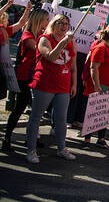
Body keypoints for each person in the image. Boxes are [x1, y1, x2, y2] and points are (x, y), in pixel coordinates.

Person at [25, 14, 77, 163]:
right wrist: (62, 43)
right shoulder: (44, 39)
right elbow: (51, 56)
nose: (63, 26)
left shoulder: (71, 42)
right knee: (36, 118)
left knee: (61, 119)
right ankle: (31, 151)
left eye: (66, 24)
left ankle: (62, 149)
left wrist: (73, 85)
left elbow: (73, 66)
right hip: (44, 84)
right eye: (60, 23)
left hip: (63, 86)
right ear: (53, 24)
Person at [2, 7, 45, 152]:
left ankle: (32, 137)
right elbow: (40, 51)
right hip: (25, 77)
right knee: (19, 107)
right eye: (46, 19)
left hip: (36, 76)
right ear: (39, 20)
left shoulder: (40, 34)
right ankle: (7, 138)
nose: (48, 22)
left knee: (36, 109)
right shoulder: (28, 36)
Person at [81, 24, 109, 149]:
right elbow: (94, 67)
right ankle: (87, 139)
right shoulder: (100, 48)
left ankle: (101, 138)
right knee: (94, 112)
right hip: (101, 86)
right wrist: (97, 85)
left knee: (105, 113)